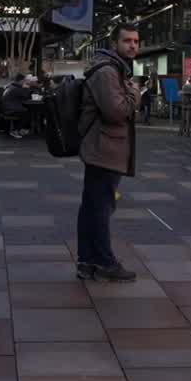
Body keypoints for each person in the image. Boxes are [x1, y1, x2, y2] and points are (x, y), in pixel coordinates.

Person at [76, 22, 141, 282]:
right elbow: (115, 111)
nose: (133, 45)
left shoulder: (115, 69)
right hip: (104, 149)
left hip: (104, 147)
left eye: (136, 41)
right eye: (127, 41)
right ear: (115, 43)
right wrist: (135, 93)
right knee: (101, 208)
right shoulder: (107, 72)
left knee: (93, 207)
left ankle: (87, 262)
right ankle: (104, 262)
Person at [1, 73, 32, 139]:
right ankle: (15, 130)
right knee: (27, 113)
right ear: (21, 81)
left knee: (25, 111)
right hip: (10, 109)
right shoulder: (16, 88)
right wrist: (27, 88)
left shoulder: (11, 86)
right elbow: (26, 96)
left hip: (7, 108)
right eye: (24, 80)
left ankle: (19, 129)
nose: (25, 82)